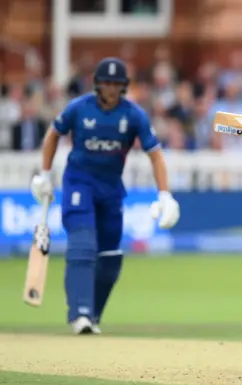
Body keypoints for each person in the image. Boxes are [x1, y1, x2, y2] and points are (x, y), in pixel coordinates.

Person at [30, 57, 181, 335]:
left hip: (111, 189)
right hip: (79, 184)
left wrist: (165, 195)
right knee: (83, 243)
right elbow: (53, 134)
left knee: (111, 257)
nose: (111, 88)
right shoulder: (79, 108)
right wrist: (46, 174)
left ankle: (93, 315)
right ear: (97, 84)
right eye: (106, 83)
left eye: (116, 83)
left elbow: (155, 154)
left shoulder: (133, 115)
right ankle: (80, 312)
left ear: (123, 86)